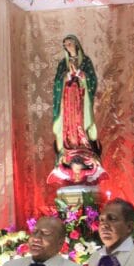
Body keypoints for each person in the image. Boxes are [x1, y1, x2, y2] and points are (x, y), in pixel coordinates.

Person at [47, 34, 108, 185]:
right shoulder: (63, 63)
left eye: (69, 43)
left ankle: (84, 145)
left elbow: (92, 80)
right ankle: (69, 144)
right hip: (67, 101)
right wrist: (67, 76)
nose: (67, 46)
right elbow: (57, 83)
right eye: (65, 44)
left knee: (82, 124)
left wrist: (81, 75)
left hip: (81, 100)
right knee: (68, 124)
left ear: (76, 44)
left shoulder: (85, 62)